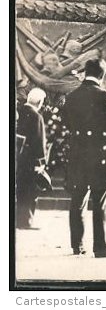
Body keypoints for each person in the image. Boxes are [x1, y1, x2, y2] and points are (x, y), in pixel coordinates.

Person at [62, 58, 106, 257]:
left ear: (85, 72)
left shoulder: (71, 96)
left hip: (78, 153)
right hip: (100, 154)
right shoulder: (105, 95)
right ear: (101, 75)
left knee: (78, 198)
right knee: (100, 199)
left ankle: (77, 245)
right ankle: (100, 247)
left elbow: (66, 123)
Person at [16, 88, 47, 229]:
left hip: (19, 160)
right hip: (30, 162)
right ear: (39, 102)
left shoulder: (19, 112)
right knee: (30, 191)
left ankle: (18, 220)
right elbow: (39, 142)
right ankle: (26, 221)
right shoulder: (36, 116)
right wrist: (41, 163)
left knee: (20, 190)